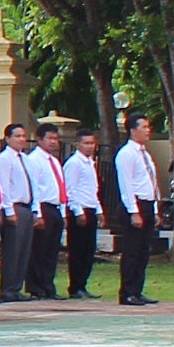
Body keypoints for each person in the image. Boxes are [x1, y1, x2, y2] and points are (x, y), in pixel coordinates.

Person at [114, 114, 163, 306]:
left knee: (143, 251)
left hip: (147, 203)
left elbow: (151, 182)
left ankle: (137, 290)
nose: (147, 130)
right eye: (144, 127)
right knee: (132, 251)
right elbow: (126, 185)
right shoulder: (127, 154)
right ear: (133, 130)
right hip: (135, 204)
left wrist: (156, 208)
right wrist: (134, 211)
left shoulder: (145, 153)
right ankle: (127, 292)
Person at [0, 124, 41, 303]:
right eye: (17, 136)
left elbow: (33, 185)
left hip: (27, 206)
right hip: (15, 206)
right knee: (12, 250)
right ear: (7, 138)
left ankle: (16, 287)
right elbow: (4, 186)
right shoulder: (5, 159)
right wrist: (8, 210)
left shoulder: (26, 159)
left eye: (23, 136)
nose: (21, 139)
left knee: (24, 250)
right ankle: (7, 288)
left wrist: (35, 209)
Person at [25, 124, 70, 300]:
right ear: (40, 139)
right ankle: (36, 286)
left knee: (52, 250)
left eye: (55, 138)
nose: (53, 142)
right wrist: (37, 213)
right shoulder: (34, 160)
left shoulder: (54, 161)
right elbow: (35, 187)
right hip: (43, 206)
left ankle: (48, 285)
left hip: (55, 207)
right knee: (39, 250)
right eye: (49, 138)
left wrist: (63, 212)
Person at [63, 127, 107, 299]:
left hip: (90, 207)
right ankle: (75, 286)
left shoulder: (90, 163)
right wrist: (78, 211)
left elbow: (92, 190)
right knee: (78, 249)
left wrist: (99, 210)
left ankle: (83, 284)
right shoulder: (74, 163)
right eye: (86, 143)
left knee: (89, 250)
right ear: (78, 144)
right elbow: (70, 189)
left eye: (92, 143)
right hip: (79, 209)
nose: (89, 147)